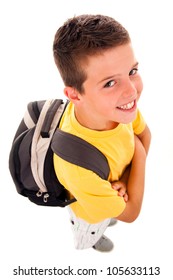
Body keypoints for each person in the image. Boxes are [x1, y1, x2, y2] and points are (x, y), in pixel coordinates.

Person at [52, 14, 151, 252]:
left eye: (132, 71)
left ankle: (109, 207)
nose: (131, 91)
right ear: (75, 96)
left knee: (111, 208)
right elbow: (131, 212)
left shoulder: (118, 107)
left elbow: (145, 134)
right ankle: (92, 240)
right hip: (87, 209)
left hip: (112, 188)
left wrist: (126, 182)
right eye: (109, 83)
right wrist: (138, 153)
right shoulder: (76, 169)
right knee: (92, 226)